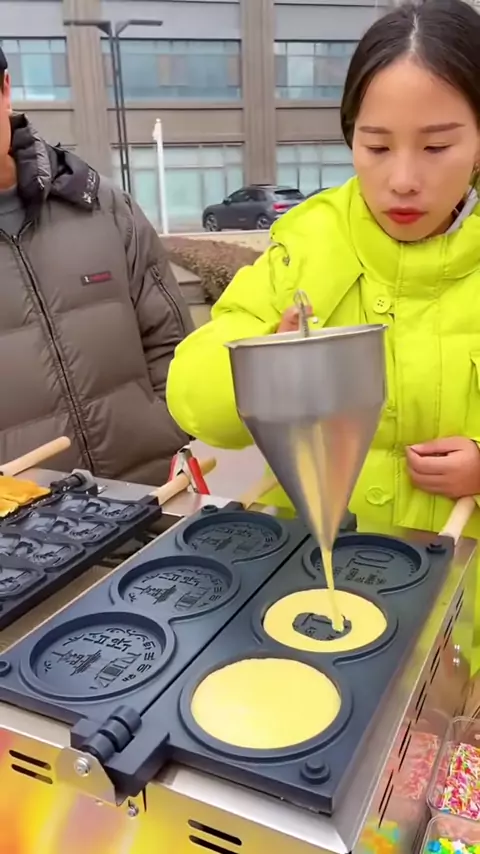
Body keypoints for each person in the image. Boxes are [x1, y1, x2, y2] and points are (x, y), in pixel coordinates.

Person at [167, 0, 480, 660]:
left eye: (437, 146)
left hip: (463, 614)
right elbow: (193, 397)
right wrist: (259, 365)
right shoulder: (307, 244)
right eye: (376, 145)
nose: (402, 179)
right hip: (314, 588)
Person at [0, 48, 193, 485]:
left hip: (151, 495)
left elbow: (171, 342)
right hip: (24, 518)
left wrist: (167, 427)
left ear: (5, 89)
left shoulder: (101, 205)